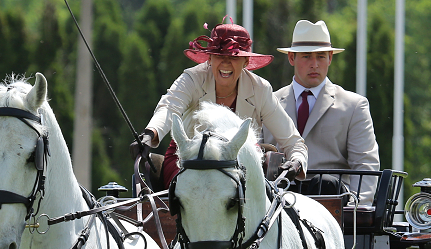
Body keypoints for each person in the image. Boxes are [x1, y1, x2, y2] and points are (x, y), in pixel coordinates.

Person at [131, 20, 307, 190]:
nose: (225, 63)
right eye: (219, 56)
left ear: (246, 62)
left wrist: (297, 161)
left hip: (241, 163)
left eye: (234, 57)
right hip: (187, 159)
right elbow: (169, 107)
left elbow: (292, 140)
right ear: (209, 59)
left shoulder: (260, 89)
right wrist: (150, 133)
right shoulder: (192, 79)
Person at [263, 20, 381, 203]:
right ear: (291, 58)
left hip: (331, 202)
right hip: (277, 203)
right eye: (306, 56)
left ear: (330, 58)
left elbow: (365, 164)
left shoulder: (354, 106)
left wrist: (357, 210)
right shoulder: (268, 102)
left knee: (325, 183)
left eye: (321, 57)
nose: (314, 64)